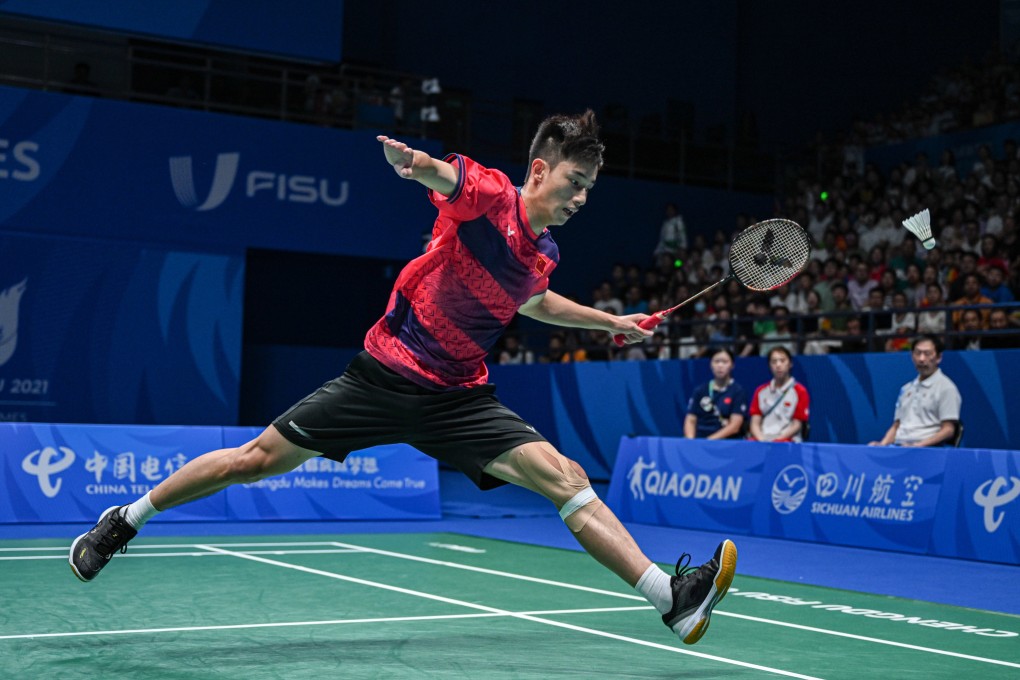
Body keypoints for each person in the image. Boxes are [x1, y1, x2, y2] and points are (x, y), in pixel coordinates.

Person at [68, 111, 736, 646]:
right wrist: (416, 165)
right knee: (254, 461)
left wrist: (612, 322)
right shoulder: (492, 197)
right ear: (540, 170)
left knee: (566, 478)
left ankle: (670, 599)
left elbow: (533, 302)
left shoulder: (543, 253)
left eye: (590, 187)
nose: (582, 197)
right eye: (575, 181)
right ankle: (124, 520)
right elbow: (449, 179)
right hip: (384, 375)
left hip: (458, 397)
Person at [869, 335, 961, 447]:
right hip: (900, 447)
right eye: (918, 353)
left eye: (927, 354)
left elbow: (948, 430)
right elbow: (897, 426)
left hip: (928, 449)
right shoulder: (906, 389)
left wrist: (917, 446)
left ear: (939, 358)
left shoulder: (946, 388)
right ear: (912, 356)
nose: (921, 359)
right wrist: (882, 445)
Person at [748, 347, 810, 443]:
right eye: (774, 361)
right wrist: (762, 440)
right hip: (763, 439)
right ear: (769, 366)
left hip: (787, 441)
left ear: (790, 364)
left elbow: (797, 425)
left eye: (782, 360)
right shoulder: (760, 391)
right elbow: (754, 423)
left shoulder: (800, 391)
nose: (778, 365)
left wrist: (776, 442)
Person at [683, 348, 748, 440]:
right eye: (716, 361)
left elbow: (734, 426)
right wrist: (691, 442)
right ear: (711, 364)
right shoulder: (700, 390)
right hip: (700, 439)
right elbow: (690, 420)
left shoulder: (738, 391)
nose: (720, 365)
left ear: (732, 365)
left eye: (725, 362)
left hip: (725, 442)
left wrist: (709, 441)